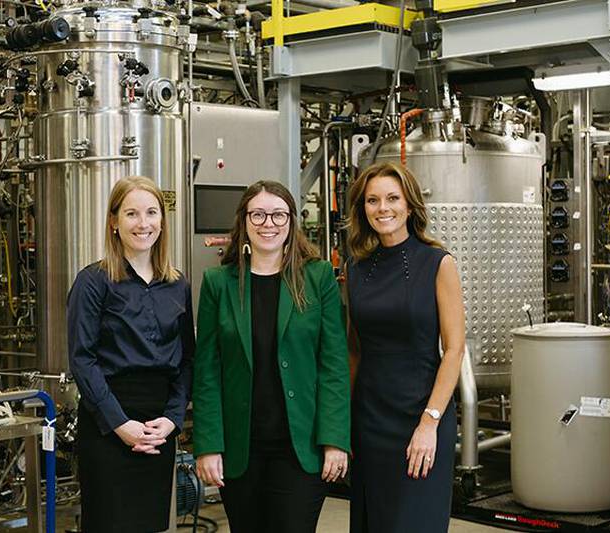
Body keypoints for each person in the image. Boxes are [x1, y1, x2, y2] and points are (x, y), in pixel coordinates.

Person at [192, 180, 350, 533]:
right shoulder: (219, 283)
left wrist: (335, 439)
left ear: (292, 221)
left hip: (300, 448)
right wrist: (208, 446)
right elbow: (206, 371)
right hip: (239, 450)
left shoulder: (317, 277)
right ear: (244, 221)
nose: (268, 223)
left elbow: (334, 365)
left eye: (279, 215)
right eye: (258, 214)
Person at [67, 176, 195, 533]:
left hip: (158, 426)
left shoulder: (178, 284)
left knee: (150, 524)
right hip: (108, 424)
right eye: (132, 213)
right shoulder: (93, 282)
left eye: (152, 212)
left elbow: (187, 359)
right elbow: (82, 359)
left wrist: (171, 419)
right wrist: (121, 425)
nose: (143, 223)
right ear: (114, 222)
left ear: (162, 220)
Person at [346, 162, 466, 532]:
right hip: (369, 419)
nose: (383, 208)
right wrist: (342, 422)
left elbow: (455, 349)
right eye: (373, 200)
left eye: (392, 198)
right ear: (363, 209)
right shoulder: (355, 268)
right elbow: (354, 349)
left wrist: (429, 423)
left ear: (409, 206)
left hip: (421, 414)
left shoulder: (437, 262)